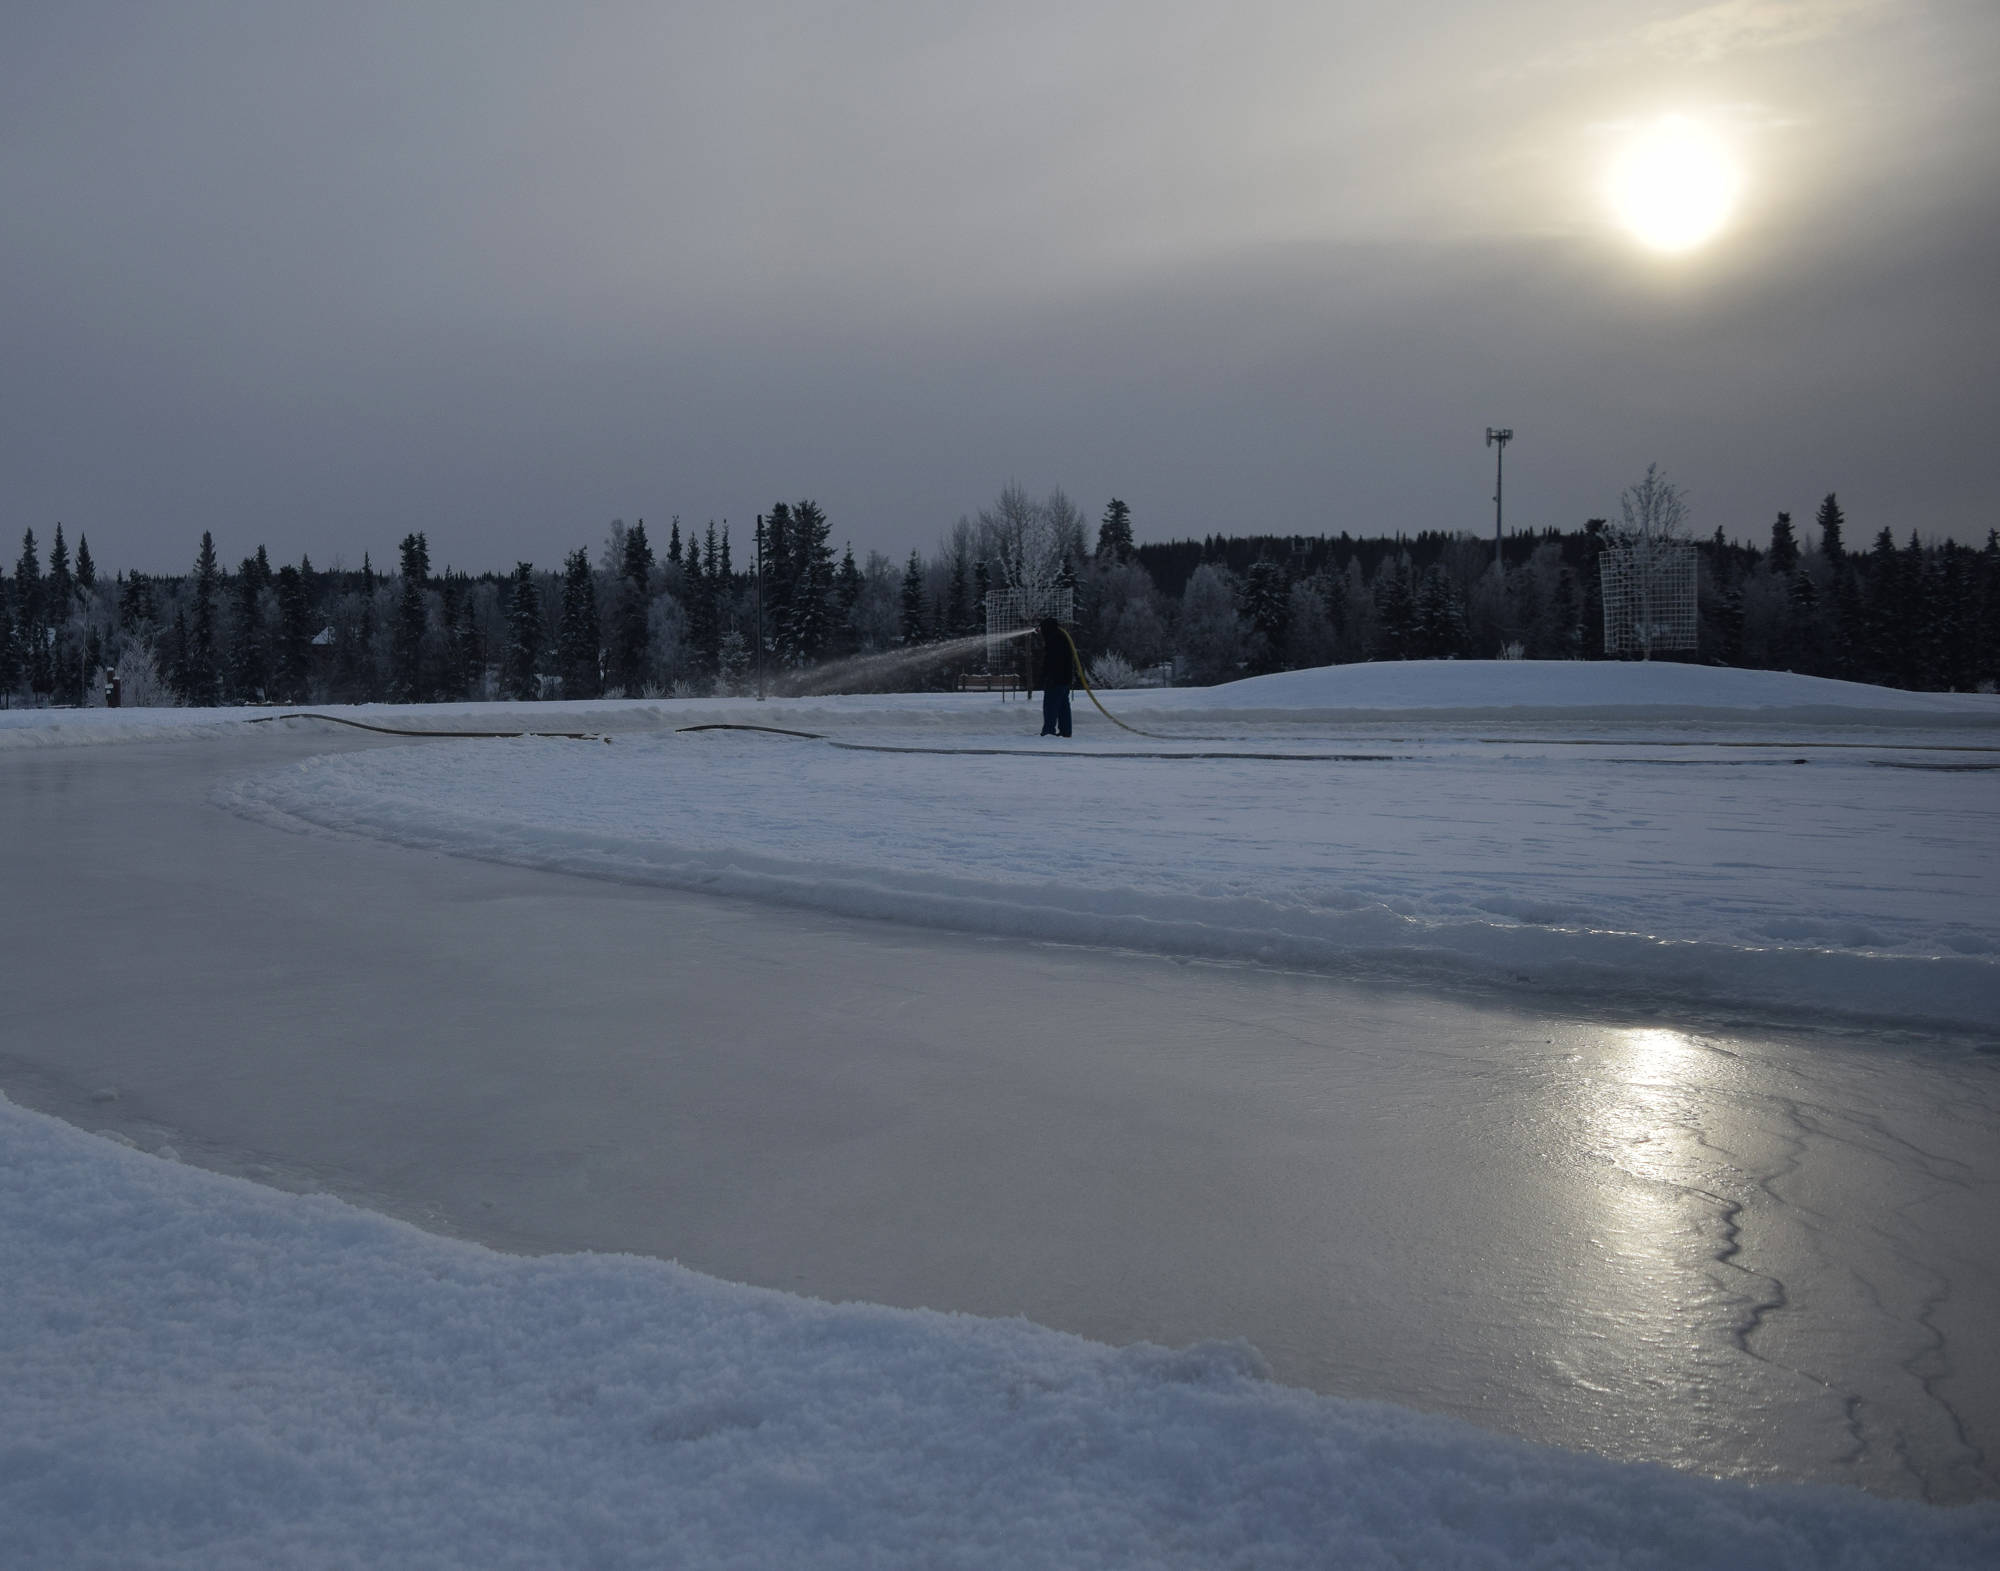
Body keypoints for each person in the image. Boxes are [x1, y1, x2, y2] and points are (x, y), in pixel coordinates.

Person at [1037, 616, 1073, 738]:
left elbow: (1053, 662)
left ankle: (1048, 731)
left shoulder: (1054, 640)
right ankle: (1065, 731)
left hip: (1056, 680)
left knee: (1050, 706)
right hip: (1065, 679)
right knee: (1063, 706)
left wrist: (1047, 676)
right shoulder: (1061, 638)